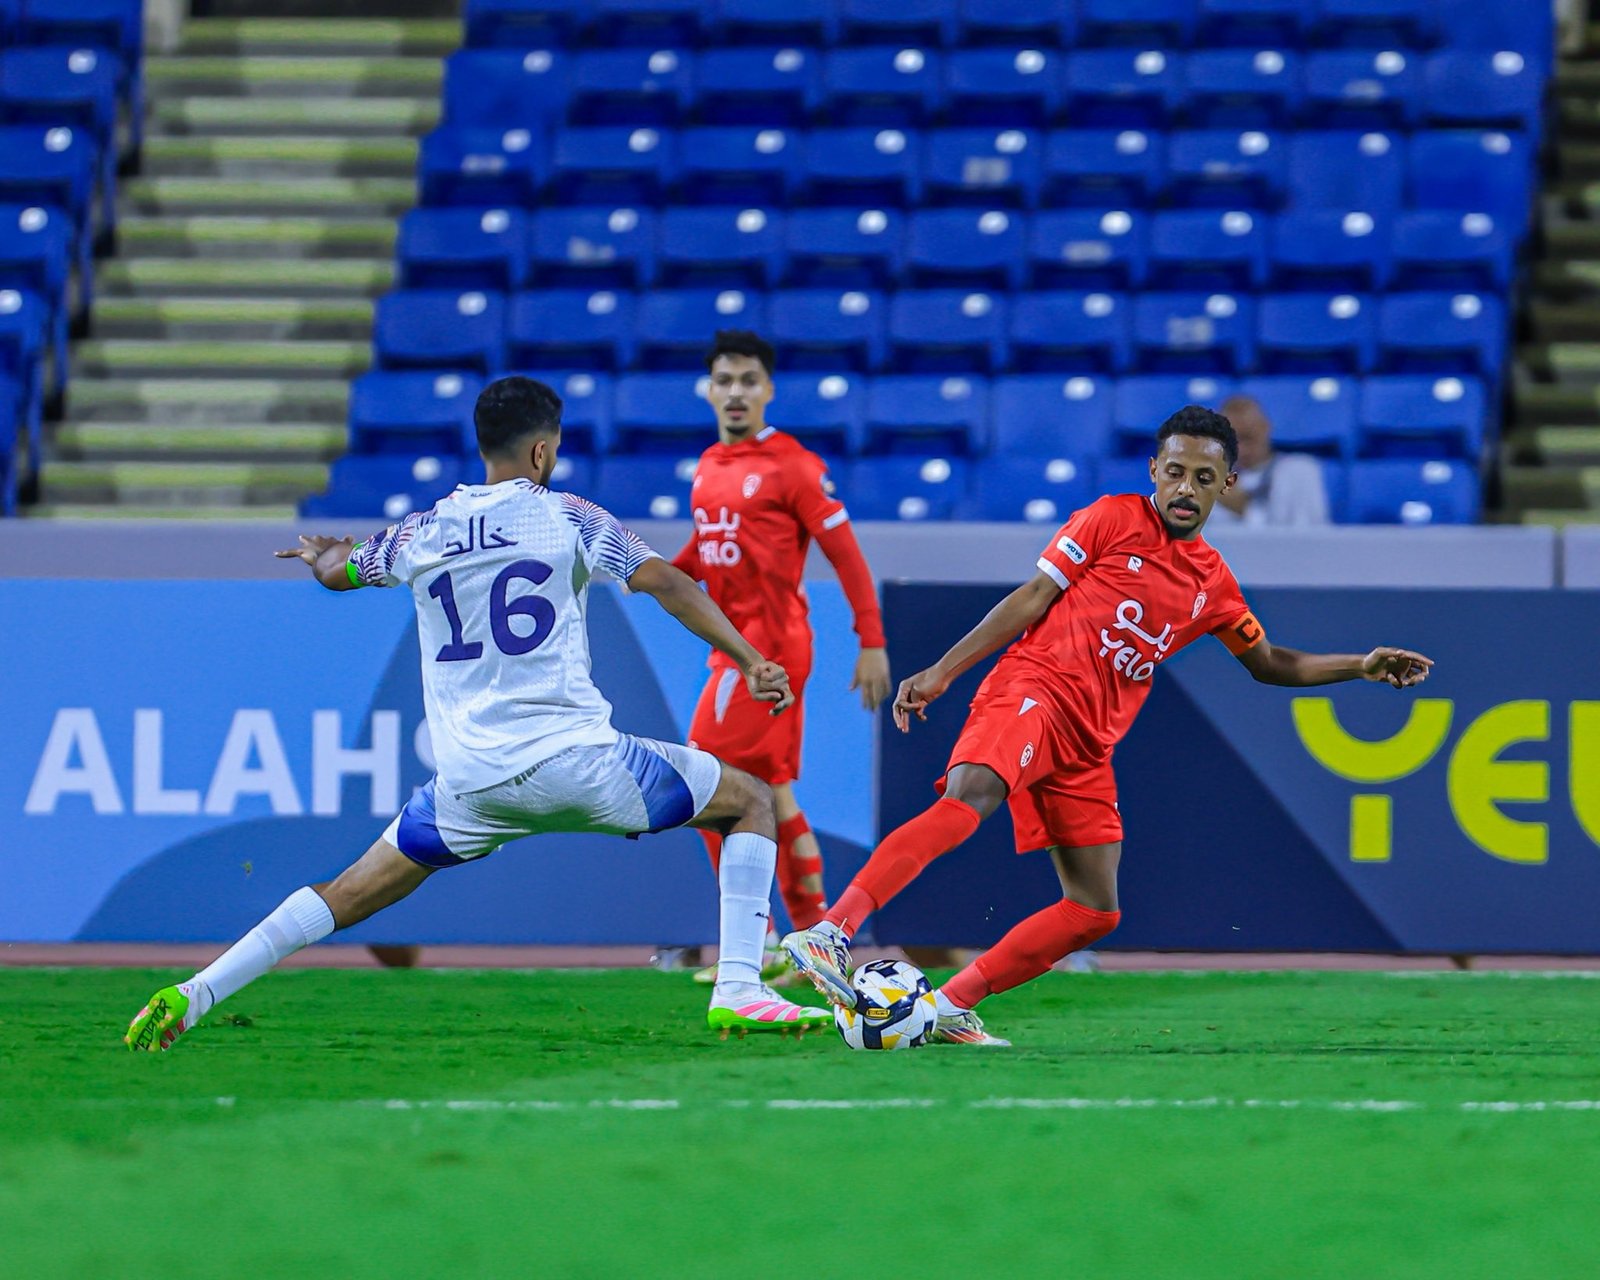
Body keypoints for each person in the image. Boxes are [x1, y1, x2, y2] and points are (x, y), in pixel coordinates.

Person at [125, 376, 831, 1052]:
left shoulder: (422, 531)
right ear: (542, 451)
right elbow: (668, 581)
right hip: (579, 763)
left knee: (345, 891)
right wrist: (748, 658)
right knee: (748, 801)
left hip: (469, 784)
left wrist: (321, 556)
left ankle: (198, 990)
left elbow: (341, 572)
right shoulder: (569, 516)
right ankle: (739, 987)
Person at [783, 405, 1433, 1046]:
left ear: (1226, 486)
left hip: (1088, 746)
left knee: (1094, 911)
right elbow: (1032, 596)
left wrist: (1361, 665)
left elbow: (1268, 663)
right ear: (1154, 468)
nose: (1186, 489)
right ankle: (832, 930)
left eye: (1204, 479)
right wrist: (944, 670)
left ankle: (947, 1005)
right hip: (1033, 689)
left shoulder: (1214, 586)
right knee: (970, 797)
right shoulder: (1111, 518)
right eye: (1175, 472)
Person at [670, 330, 892, 980]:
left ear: (768, 390)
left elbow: (846, 555)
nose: (735, 393)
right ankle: (815, 938)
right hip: (732, 652)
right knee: (773, 795)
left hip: (771, 656)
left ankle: (764, 937)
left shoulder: (793, 465)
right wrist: (648, 572)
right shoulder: (710, 465)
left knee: (712, 791)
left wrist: (871, 640)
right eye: (725, 381)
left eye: (748, 381)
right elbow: (703, 554)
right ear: (709, 390)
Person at [1207, 394, 1331, 527]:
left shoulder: (1300, 472)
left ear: (1266, 428)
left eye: (1248, 438)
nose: (1241, 450)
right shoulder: (1209, 482)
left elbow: (1311, 537)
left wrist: (1244, 509)